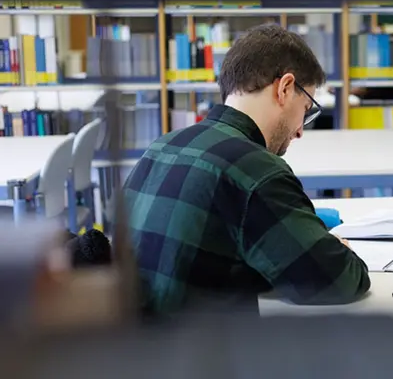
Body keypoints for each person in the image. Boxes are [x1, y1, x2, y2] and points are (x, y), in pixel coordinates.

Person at [123, 24, 370, 316]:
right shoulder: (257, 170)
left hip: (133, 349)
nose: (300, 130)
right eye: (306, 109)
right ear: (285, 88)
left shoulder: (161, 147)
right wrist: (339, 250)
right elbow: (337, 280)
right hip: (200, 354)